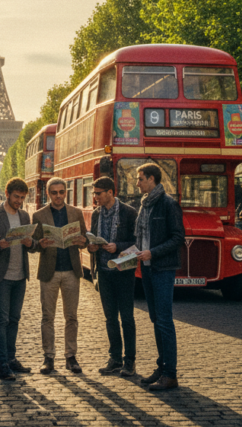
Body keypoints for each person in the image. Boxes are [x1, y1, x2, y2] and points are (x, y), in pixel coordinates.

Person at [134, 163, 185, 391]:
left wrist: (153, 253)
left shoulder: (168, 204)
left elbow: (177, 238)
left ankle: (170, 374)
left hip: (162, 269)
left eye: (140, 178)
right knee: (156, 319)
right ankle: (162, 366)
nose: (137, 183)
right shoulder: (145, 205)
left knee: (164, 320)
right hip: (146, 267)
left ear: (152, 179)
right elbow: (143, 238)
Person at [32, 177, 88, 375]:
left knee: (71, 316)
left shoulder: (76, 213)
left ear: (66, 193)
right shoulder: (39, 215)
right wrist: (40, 244)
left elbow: (85, 240)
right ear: (48, 193)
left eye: (61, 192)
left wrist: (82, 241)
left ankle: (70, 356)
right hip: (49, 271)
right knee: (48, 316)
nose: (58, 196)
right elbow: (33, 244)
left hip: (72, 270)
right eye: (54, 193)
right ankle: (49, 357)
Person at [0, 177, 37, 381]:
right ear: (7, 194)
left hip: (20, 275)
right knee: (2, 320)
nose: (19, 201)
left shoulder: (24, 216)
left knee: (14, 319)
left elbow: (32, 248)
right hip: (2, 276)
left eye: (22, 198)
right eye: (16, 197)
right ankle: (2, 364)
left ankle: (12, 358)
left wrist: (30, 242)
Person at [87, 176, 139, 377]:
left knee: (127, 317)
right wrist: (92, 247)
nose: (95, 197)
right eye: (95, 193)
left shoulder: (129, 212)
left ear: (110, 192)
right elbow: (93, 237)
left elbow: (137, 241)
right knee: (110, 318)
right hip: (104, 271)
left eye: (98, 193)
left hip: (123, 272)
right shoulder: (96, 214)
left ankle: (130, 361)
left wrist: (118, 247)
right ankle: (115, 358)